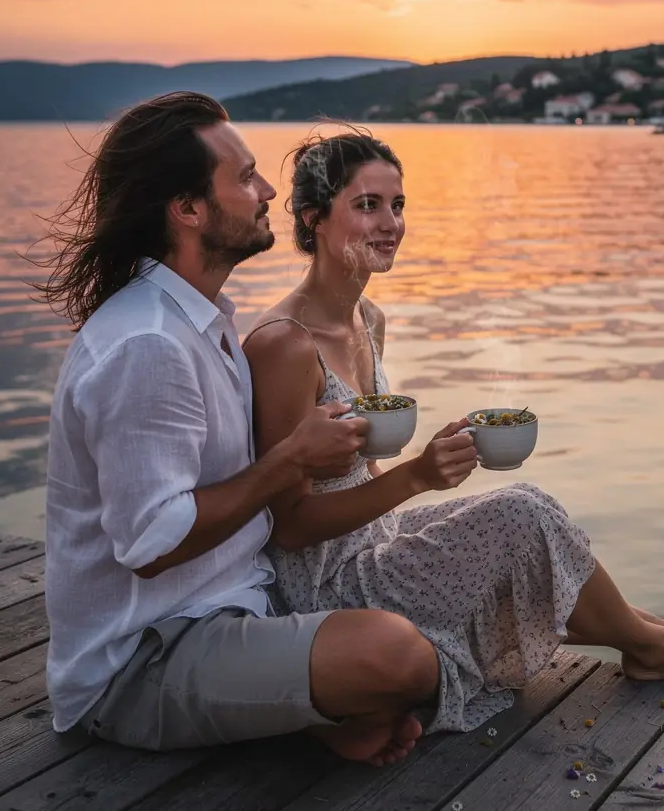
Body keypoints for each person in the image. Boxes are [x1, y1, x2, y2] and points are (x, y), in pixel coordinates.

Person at [242, 128, 664, 735]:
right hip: (325, 586)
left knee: (531, 502)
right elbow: (290, 525)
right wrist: (418, 478)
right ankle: (651, 647)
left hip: (373, 535)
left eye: (397, 205)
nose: (389, 224)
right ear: (313, 217)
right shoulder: (283, 346)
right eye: (367, 205)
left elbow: (356, 470)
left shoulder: (367, 319)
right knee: (517, 517)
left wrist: (430, 466)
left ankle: (643, 628)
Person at [39, 93, 445, 765]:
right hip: (143, 660)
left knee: (406, 622)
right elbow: (152, 543)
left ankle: (313, 714)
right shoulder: (148, 344)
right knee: (398, 655)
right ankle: (317, 714)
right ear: (189, 208)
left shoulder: (203, 323)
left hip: (238, 610)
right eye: (246, 177)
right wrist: (290, 461)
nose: (266, 192)